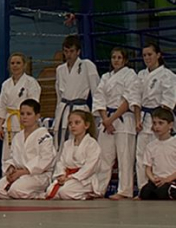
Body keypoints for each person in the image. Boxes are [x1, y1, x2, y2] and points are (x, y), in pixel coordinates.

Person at [130, 43, 176, 191]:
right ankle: (144, 189)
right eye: (144, 55)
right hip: (143, 118)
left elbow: (168, 101)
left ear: (158, 55)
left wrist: (158, 122)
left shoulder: (167, 75)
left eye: (150, 54)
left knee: (161, 155)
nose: (147, 58)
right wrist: (137, 119)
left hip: (159, 118)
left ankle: (165, 184)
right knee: (141, 155)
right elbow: (135, 98)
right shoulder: (141, 74)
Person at [93, 47, 137, 200]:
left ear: (125, 60)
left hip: (124, 119)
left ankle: (125, 190)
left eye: (119, 57)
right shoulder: (105, 77)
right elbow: (99, 98)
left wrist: (111, 119)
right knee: (104, 156)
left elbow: (128, 99)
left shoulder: (130, 75)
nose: (116, 60)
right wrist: (105, 119)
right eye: (113, 57)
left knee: (125, 157)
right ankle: (99, 189)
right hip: (107, 119)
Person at [0, 100, 56, 200]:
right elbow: (12, 157)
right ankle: (21, 193)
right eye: (22, 114)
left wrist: (24, 171)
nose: (24, 117)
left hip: (38, 175)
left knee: (15, 190)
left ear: (37, 116)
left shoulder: (44, 136)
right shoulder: (18, 136)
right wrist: (11, 168)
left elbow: (46, 159)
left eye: (29, 114)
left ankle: (39, 195)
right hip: (18, 174)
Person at [53, 36, 99, 151]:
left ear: (78, 51)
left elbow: (96, 91)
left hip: (80, 108)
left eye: (72, 51)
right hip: (63, 110)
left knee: (80, 143)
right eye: (66, 51)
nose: (68, 54)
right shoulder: (60, 69)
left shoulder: (87, 65)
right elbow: (59, 95)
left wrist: (97, 115)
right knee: (61, 144)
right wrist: (57, 114)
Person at [0, 53, 41, 162]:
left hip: (24, 121)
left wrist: (29, 121)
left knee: (24, 152)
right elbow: (2, 105)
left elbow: (33, 104)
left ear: (24, 65)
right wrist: (0, 126)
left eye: (18, 63)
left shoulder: (31, 82)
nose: (15, 66)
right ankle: (6, 177)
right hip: (9, 123)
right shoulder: (6, 84)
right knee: (8, 155)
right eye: (12, 63)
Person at [45, 110, 101, 200]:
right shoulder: (67, 144)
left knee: (65, 192)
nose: (73, 126)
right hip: (67, 177)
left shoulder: (92, 144)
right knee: (49, 191)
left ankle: (87, 194)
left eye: (77, 123)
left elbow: (90, 167)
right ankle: (73, 190)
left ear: (86, 125)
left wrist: (71, 177)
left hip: (84, 179)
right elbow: (61, 162)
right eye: (70, 123)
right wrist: (62, 175)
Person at [139, 107, 176, 200]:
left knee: (163, 192)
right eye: (154, 123)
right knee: (145, 192)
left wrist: (167, 179)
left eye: (161, 123)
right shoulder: (151, 146)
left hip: (172, 180)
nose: (157, 127)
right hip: (157, 180)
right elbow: (148, 168)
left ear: (170, 125)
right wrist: (154, 179)